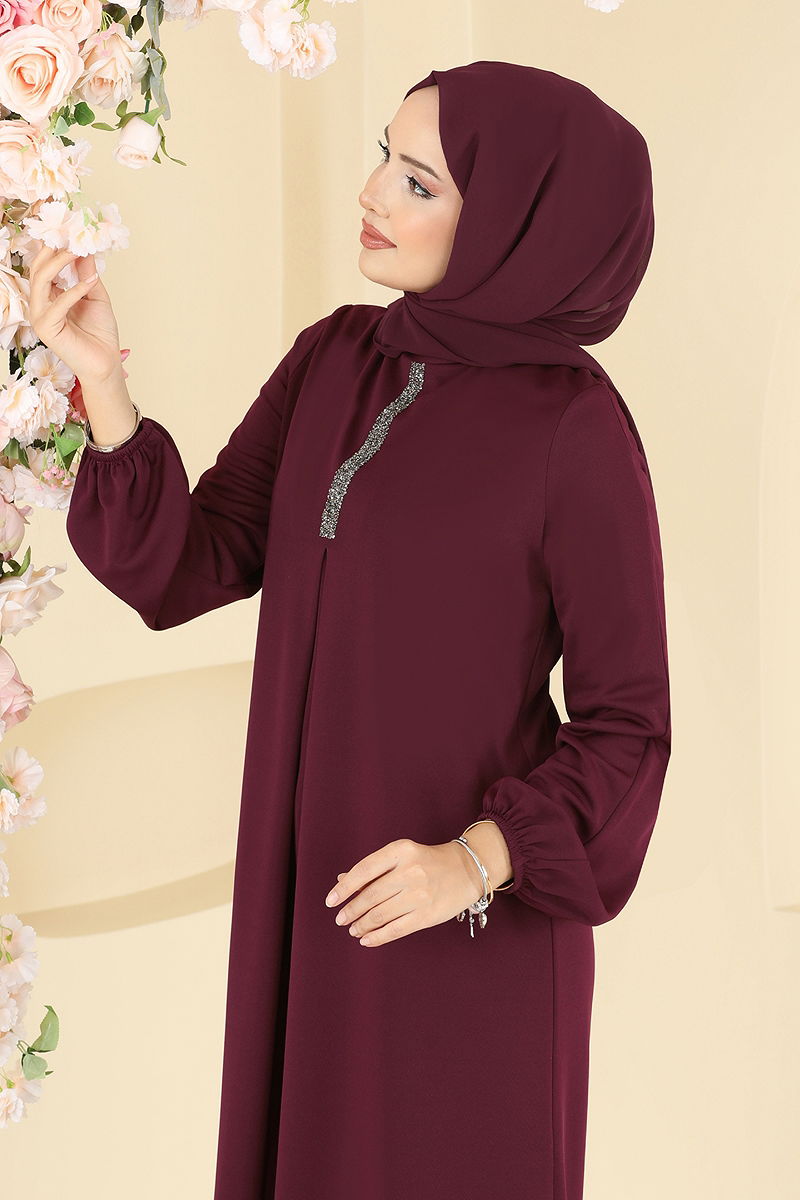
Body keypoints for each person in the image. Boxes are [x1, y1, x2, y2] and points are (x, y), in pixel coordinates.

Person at [31, 60, 671, 1200]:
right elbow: (188, 564)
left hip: (461, 935)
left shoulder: (573, 429)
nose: (372, 192)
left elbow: (629, 727)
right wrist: (102, 382)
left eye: (419, 182)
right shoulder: (336, 358)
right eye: (384, 156)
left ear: (517, 221)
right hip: (311, 909)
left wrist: (473, 862)